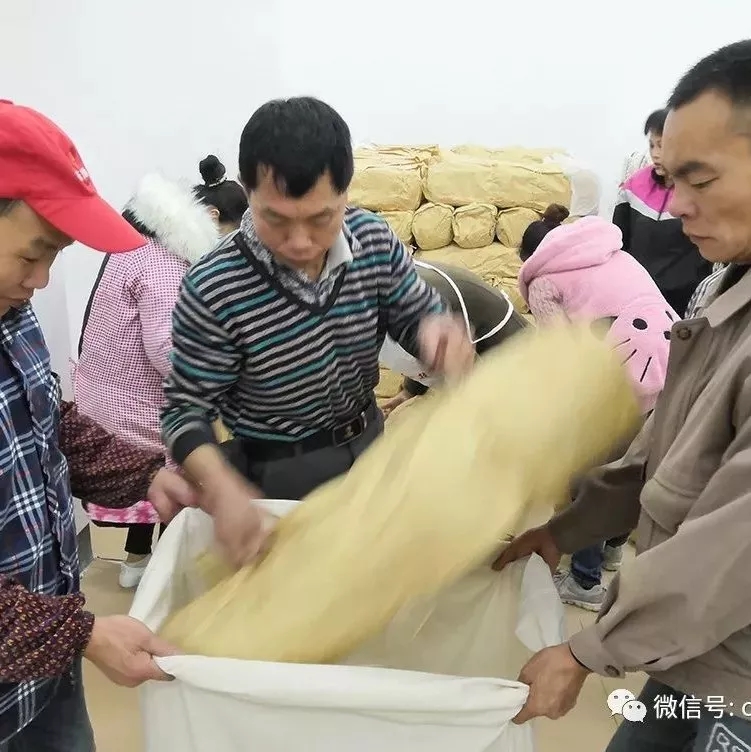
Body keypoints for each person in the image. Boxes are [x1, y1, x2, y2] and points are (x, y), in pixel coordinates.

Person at [495, 39, 751, 751]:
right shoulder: (725, 290)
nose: (676, 207)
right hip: (691, 655)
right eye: (669, 180)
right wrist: (567, 528)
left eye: (701, 180)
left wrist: (588, 650)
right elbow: (667, 450)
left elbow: (733, 544)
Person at [0, 101, 259, 750]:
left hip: (40, 677)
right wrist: (82, 634)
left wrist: (146, 476)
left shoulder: (10, 313)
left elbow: (46, 423)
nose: (43, 280)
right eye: (33, 254)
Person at [160, 96, 474, 539]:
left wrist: (435, 332)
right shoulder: (214, 286)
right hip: (276, 478)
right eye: (276, 219)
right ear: (247, 192)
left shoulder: (372, 239)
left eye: (320, 218)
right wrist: (222, 488)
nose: (300, 242)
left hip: (368, 448)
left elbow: (415, 312)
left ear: (345, 193)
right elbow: (185, 411)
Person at [518, 204, 676, 611]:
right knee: (630, 465)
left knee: (589, 476)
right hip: (671, 366)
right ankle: (612, 551)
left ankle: (584, 582)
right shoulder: (612, 255)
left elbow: (563, 353)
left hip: (619, 375)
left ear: (530, 258)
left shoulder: (544, 281)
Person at [74, 171, 220, 589]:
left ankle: (136, 562)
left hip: (104, 396)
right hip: (134, 406)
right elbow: (169, 350)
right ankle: (163, 572)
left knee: (147, 483)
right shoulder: (164, 265)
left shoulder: (131, 249)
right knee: (176, 474)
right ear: (211, 218)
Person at [380, 259, 528, 416]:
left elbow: (463, 379)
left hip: (506, 346)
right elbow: (423, 353)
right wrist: (409, 391)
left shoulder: (411, 308)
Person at [613, 107, 712, 315]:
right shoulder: (633, 187)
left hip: (681, 302)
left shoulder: (701, 191)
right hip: (635, 295)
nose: (656, 154)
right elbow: (618, 241)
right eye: (652, 145)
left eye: (662, 145)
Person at [193, 154, 249, 239]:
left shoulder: (198, 196)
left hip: (214, 242)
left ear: (203, 176)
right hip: (241, 238)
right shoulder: (235, 189)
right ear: (221, 171)